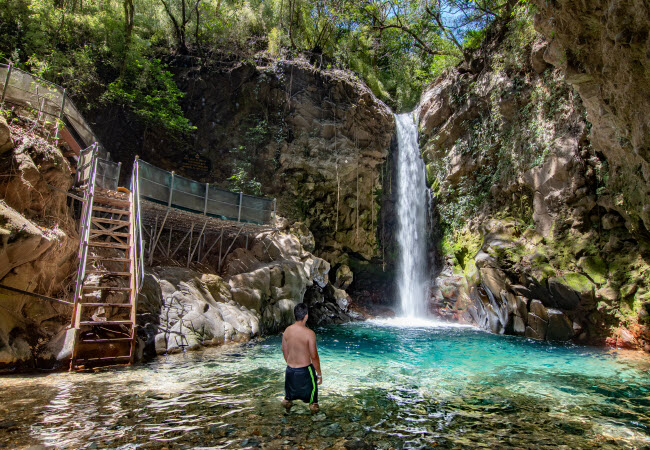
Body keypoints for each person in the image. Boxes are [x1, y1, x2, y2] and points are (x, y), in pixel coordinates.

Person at [281, 303, 322, 414]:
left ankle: (286, 417)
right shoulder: (309, 333)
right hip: (305, 372)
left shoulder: (287, 331)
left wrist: (291, 364)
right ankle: (315, 423)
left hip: (290, 371)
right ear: (306, 316)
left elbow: (284, 351)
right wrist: (319, 374)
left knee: (287, 399)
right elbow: (314, 356)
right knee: (313, 402)